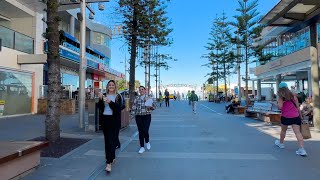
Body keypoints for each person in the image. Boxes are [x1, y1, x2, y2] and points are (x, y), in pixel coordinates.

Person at [97, 80, 124, 173]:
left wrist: (110, 102)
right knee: (107, 141)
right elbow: (100, 108)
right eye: (109, 85)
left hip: (115, 122)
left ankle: (109, 162)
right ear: (107, 86)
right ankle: (110, 159)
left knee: (112, 141)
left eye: (113, 85)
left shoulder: (118, 96)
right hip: (105, 121)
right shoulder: (104, 94)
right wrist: (100, 99)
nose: (111, 86)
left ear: (115, 86)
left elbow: (118, 109)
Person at [274, 82, 307, 156]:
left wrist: (275, 104)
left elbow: (280, 107)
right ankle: (302, 149)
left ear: (280, 88)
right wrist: (300, 116)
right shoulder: (293, 96)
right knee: (298, 133)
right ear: (287, 87)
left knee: (283, 130)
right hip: (295, 116)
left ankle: (281, 143)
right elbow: (298, 107)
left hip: (285, 117)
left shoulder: (281, 97)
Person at [131, 86, 154, 154]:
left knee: (145, 130)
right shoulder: (137, 98)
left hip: (147, 116)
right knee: (140, 131)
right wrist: (132, 113)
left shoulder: (148, 97)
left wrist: (151, 107)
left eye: (142, 89)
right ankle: (142, 147)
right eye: (140, 90)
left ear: (145, 90)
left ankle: (147, 141)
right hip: (138, 116)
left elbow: (154, 106)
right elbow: (134, 107)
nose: (141, 91)